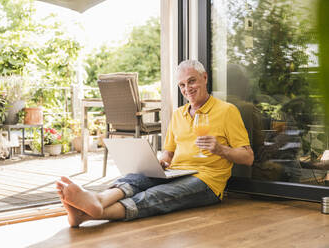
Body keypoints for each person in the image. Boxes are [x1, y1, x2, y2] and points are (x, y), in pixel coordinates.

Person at [56, 59, 254, 227]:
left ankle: (94, 213)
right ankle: (96, 201)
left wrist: (220, 150)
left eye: (192, 81)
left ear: (205, 78)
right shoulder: (178, 114)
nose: (187, 89)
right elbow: (168, 153)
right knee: (136, 178)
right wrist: (161, 162)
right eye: (182, 85)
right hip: (177, 172)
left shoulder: (227, 111)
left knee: (157, 194)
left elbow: (248, 157)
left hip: (207, 181)